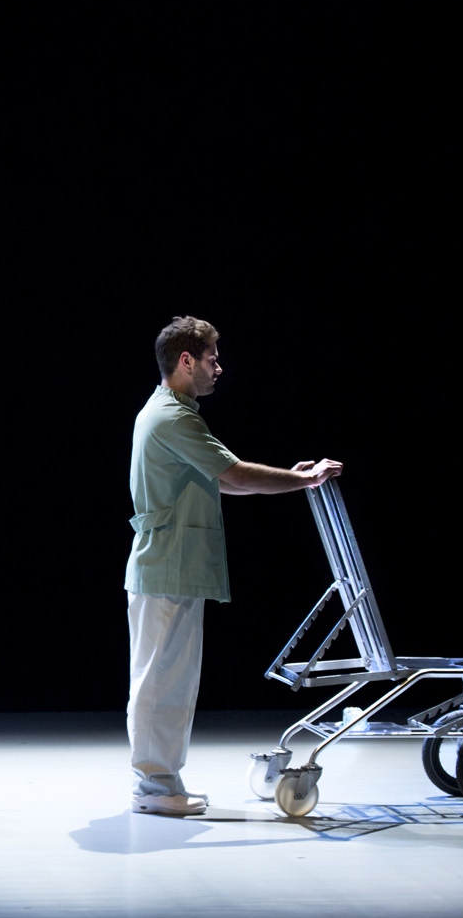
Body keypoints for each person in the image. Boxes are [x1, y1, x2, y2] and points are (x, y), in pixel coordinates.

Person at [125, 317, 342, 816]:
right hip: (167, 565)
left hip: (172, 565)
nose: (218, 368)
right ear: (186, 361)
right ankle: (154, 789)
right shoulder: (172, 417)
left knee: (169, 682)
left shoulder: (172, 414)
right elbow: (236, 475)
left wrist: (292, 478)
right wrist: (304, 480)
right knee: (160, 683)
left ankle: (161, 784)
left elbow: (220, 480)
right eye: (212, 359)